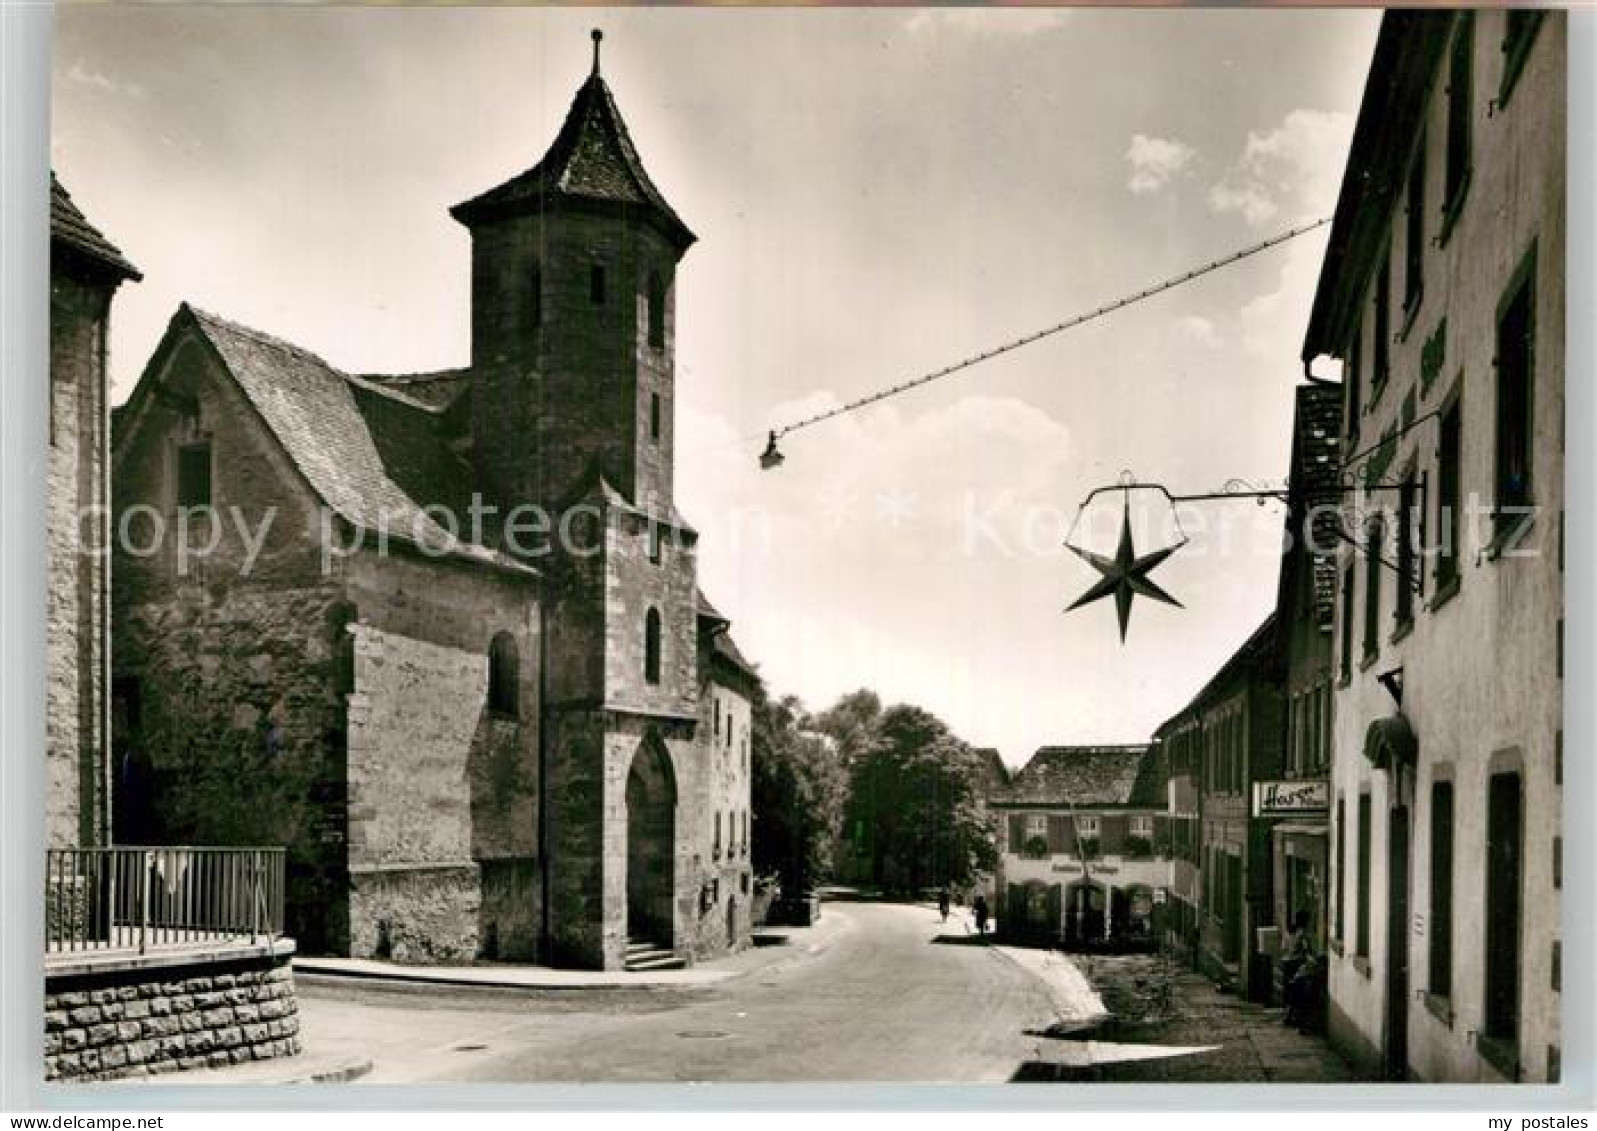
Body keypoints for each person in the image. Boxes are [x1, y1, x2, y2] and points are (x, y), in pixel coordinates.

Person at [1281, 910, 1315, 1028]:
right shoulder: (1302, 933)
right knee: (1298, 992)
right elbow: (1307, 949)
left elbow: (1283, 947)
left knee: (1290, 991)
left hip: (1286, 963)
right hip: (1297, 964)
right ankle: (1295, 1018)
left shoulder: (1288, 931)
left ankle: (1288, 1016)